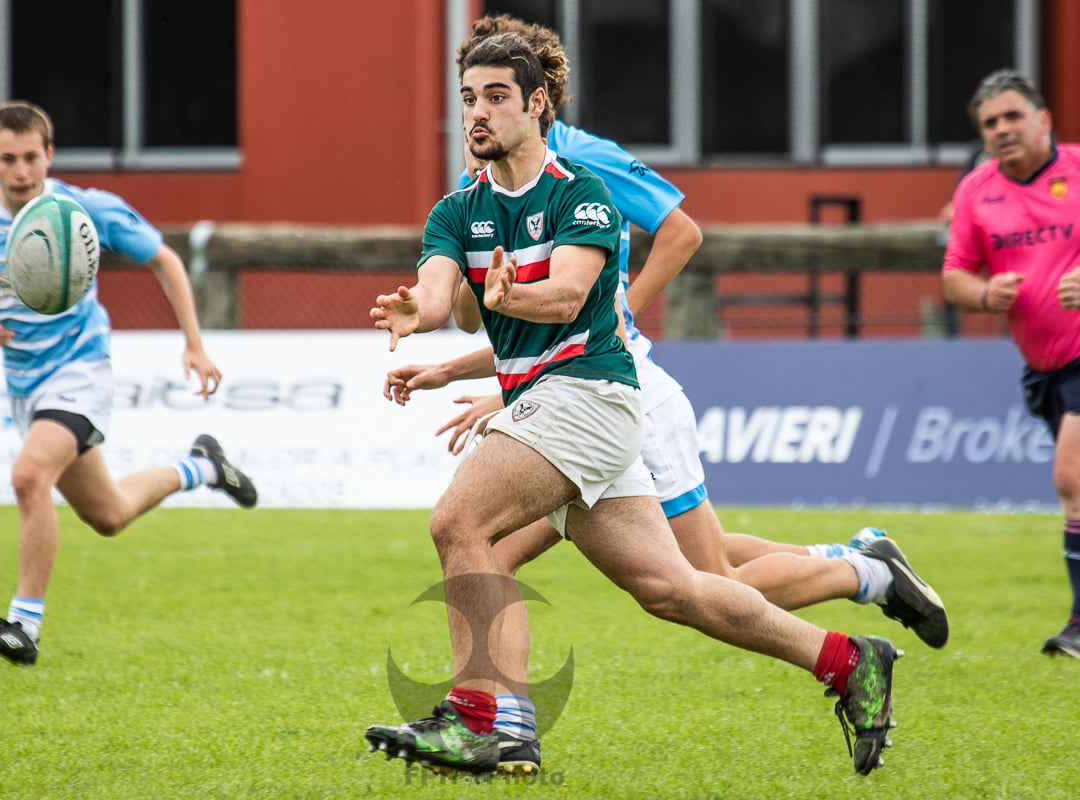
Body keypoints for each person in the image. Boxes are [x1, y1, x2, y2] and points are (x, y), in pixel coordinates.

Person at [376, 15, 947, 776]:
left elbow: (573, 295)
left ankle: (487, 720)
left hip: (593, 398)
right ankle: (850, 662)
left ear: (538, 102)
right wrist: (422, 312)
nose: (477, 113)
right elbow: (447, 294)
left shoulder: (582, 191)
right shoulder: (456, 210)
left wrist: (513, 298)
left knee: (459, 523)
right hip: (551, 409)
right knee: (675, 587)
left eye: (496, 97)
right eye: (468, 98)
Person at [0, 101, 258, 667]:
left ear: (49, 155)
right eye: (7, 159)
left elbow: (166, 259)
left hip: (79, 369)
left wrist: (194, 343)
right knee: (108, 515)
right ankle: (204, 466)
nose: (21, 171)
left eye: (31, 157)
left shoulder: (80, 209)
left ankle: (23, 626)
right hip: (24, 385)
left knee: (28, 476)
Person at [942, 68, 1080, 658]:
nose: (1002, 130)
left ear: (1043, 119)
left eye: (1012, 117)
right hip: (1043, 365)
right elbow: (953, 276)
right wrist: (983, 295)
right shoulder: (977, 189)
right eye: (990, 123)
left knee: (1071, 479)